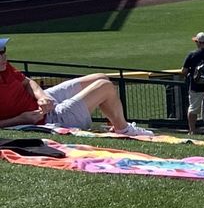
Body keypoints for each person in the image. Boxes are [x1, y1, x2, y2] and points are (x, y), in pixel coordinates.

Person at [0, 36, 152, 136]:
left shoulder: (5, 67)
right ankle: (124, 129)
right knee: (105, 86)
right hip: (46, 119)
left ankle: (116, 124)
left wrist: (41, 96)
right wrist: (21, 119)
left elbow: (28, 82)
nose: (4, 57)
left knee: (100, 77)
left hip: (44, 102)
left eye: (3, 52)